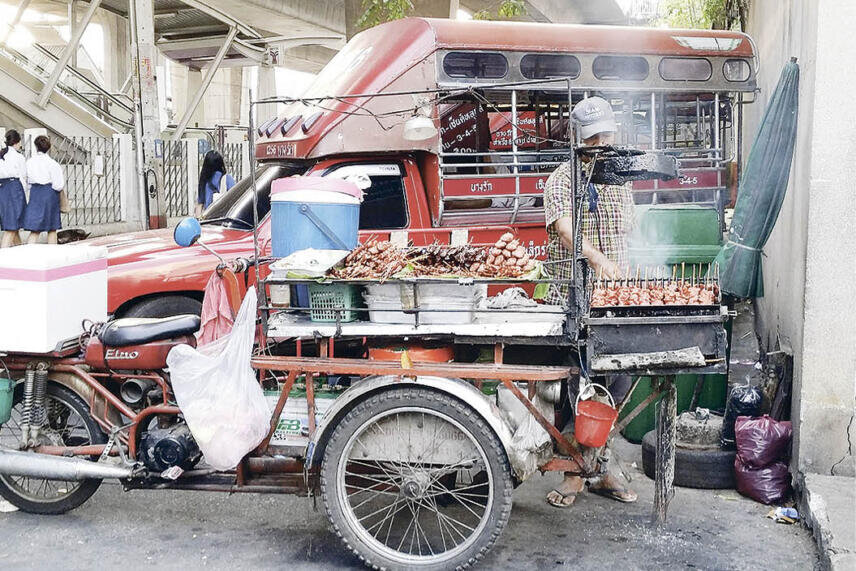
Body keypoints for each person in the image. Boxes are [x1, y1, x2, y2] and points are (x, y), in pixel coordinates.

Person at [543, 96, 637, 508]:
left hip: (614, 299)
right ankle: (574, 471)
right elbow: (566, 230)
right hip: (573, 298)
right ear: (577, 139)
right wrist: (599, 260)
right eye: (593, 138)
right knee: (578, 385)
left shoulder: (621, 180)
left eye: (606, 136)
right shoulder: (562, 180)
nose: (601, 145)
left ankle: (598, 465)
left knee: (619, 382)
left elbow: (630, 232)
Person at [24, 135, 64, 245]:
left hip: (35, 193)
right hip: (49, 193)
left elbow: (26, 179)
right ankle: (52, 253)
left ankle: (28, 252)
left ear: (36, 147)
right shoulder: (53, 164)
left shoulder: (29, 162)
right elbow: (58, 185)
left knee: (35, 229)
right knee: (52, 228)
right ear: (49, 147)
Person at [0, 130, 27, 248]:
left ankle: (19, 251)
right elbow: (23, 175)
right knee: (12, 227)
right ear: (17, 142)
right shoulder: (18, 157)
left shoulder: (2, 155)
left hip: (2, 188)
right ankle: (4, 255)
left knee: (13, 225)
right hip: (14, 188)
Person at [196, 150, 235, 216]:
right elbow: (235, 197)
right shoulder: (227, 179)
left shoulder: (204, 181)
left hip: (209, 216)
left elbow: (200, 204)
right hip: (225, 216)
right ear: (221, 163)